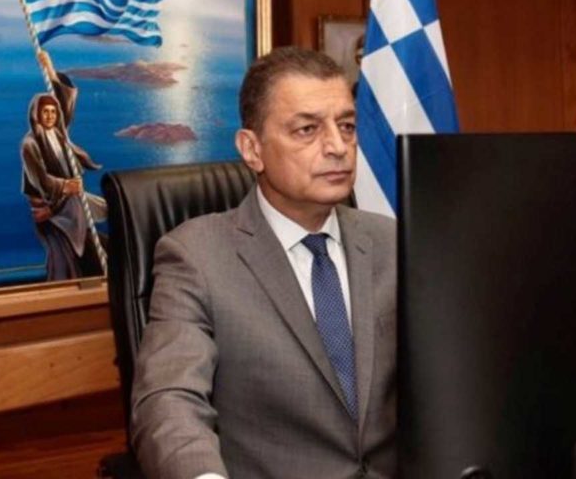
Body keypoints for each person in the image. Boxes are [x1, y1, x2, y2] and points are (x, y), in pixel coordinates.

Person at [131, 47, 397, 478]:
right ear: (252, 149)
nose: (337, 147)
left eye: (346, 126)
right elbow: (169, 399)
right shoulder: (196, 257)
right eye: (307, 129)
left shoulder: (392, 241)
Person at [21, 51, 107, 280]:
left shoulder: (59, 134)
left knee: (104, 224)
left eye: (52, 112)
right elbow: (40, 180)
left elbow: (64, 102)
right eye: (45, 112)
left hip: (71, 206)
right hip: (53, 213)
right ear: (37, 114)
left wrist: (50, 69)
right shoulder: (30, 144)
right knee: (66, 260)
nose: (50, 116)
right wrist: (65, 186)